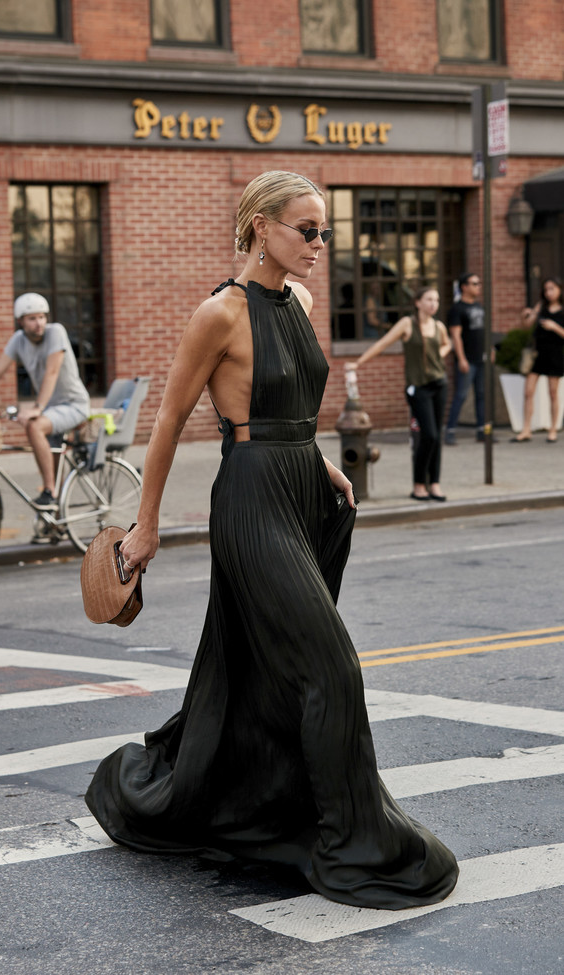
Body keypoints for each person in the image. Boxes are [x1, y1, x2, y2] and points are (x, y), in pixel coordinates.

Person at [85, 171, 459, 910]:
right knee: (330, 668)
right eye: (307, 229)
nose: (320, 244)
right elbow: (169, 423)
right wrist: (148, 524)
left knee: (270, 670)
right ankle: (351, 841)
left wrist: (320, 460)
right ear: (261, 225)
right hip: (252, 502)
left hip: (300, 491)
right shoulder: (218, 314)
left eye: (325, 231)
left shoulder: (303, 302)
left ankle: (265, 806)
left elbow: (287, 404)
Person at [346, 287, 452, 501]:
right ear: (418, 302)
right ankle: (419, 484)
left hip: (439, 384)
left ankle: (435, 484)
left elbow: (447, 343)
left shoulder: (439, 326)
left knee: (436, 436)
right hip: (417, 387)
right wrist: (358, 363)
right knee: (428, 434)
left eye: (437, 300)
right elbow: (383, 343)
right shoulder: (407, 324)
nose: (434, 303)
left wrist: (440, 353)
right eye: (429, 299)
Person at [0, 293, 90, 508]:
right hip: (51, 411)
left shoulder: (56, 332)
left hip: (74, 404)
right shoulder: (18, 340)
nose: (38, 323)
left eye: (42, 317)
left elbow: (52, 372)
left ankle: (49, 491)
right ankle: (56, 521)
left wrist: (37, 408)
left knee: (34, 427)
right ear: (20, 321)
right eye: (32, 319)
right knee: (53, 459)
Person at [513, 277, 564, 443]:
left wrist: (554, 326)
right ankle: (526, 429)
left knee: (553, 393)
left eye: (552, 289)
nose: (549, 292)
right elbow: (527, 326)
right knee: (528, 391)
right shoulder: (541, 306)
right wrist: (524, 316)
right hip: (538, 353)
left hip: (556, 353)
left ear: (560, 290)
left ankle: (553, 429)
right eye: (546, 289)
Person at [444, 272, 485, 445]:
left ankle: (482, 431)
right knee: (461, 395)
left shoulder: (479, 306)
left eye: (479, 283)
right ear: (464, 287)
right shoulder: (457, 309)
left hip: (481, 358)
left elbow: (483, 331)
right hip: (467, 359)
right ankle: (450, 431)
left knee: (481, 395)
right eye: (474, 283)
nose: (478, 286)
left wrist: (489, 348)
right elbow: (456, 336)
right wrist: (461, 359)